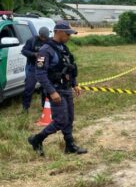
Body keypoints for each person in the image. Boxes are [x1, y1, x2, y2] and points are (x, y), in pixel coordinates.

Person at [27, 21, 87, 156]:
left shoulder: (64, 48)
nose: (69, 37)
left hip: (66, 88)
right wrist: (52, 92)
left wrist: (74, 84)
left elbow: (69, 69)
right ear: (58, 32)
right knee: (60, 121)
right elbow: (40, 73)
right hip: (55, 89)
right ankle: (36, 139)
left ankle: (69, 146)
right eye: (67, 34)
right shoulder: (45, 50)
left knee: (69, 118)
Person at [21, 27, 49, 112]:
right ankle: (25, 109)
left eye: (45, 37)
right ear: (39, 34)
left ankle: (45, 107)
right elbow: (24, 51)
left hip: (44, 68)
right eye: (42, 37)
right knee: (28, 88)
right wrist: (34, 54)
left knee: (45, 88)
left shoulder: (49, 41)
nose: (44, 39)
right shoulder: (32, 41)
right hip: (33, 67)